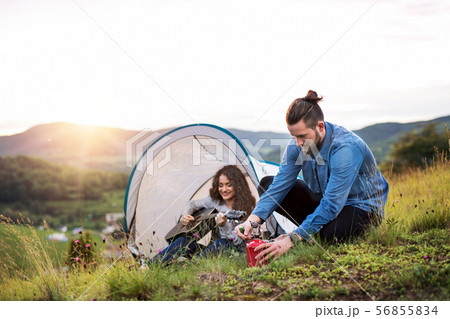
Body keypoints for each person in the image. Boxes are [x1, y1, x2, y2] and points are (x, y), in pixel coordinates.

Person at [235, 90, 389, 263]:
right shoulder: (298, 144)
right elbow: (280, 185)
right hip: (324, 201)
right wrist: (252, 220)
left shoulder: (345, 148)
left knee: (329, 236)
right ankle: (309, 233)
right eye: (293, 136)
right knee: (267, 184)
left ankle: (306, 235)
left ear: (320, 127)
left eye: (302, 136)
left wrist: (291, 238)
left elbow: (332, 204)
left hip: (360, 208)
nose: (298, 143)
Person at [152, 165, 256, 264]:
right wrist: (185, 215)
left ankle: (192, 267)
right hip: (212, 250)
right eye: (220, 185)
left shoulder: (248, 209)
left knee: (222, 242)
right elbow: (192, 204)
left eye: (229, 185)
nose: (224, 190)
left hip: (234, 253)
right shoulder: (215, 201)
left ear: (238, 186)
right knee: (184, 241)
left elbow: (236, 242)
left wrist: (224, 226)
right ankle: (148, 266)